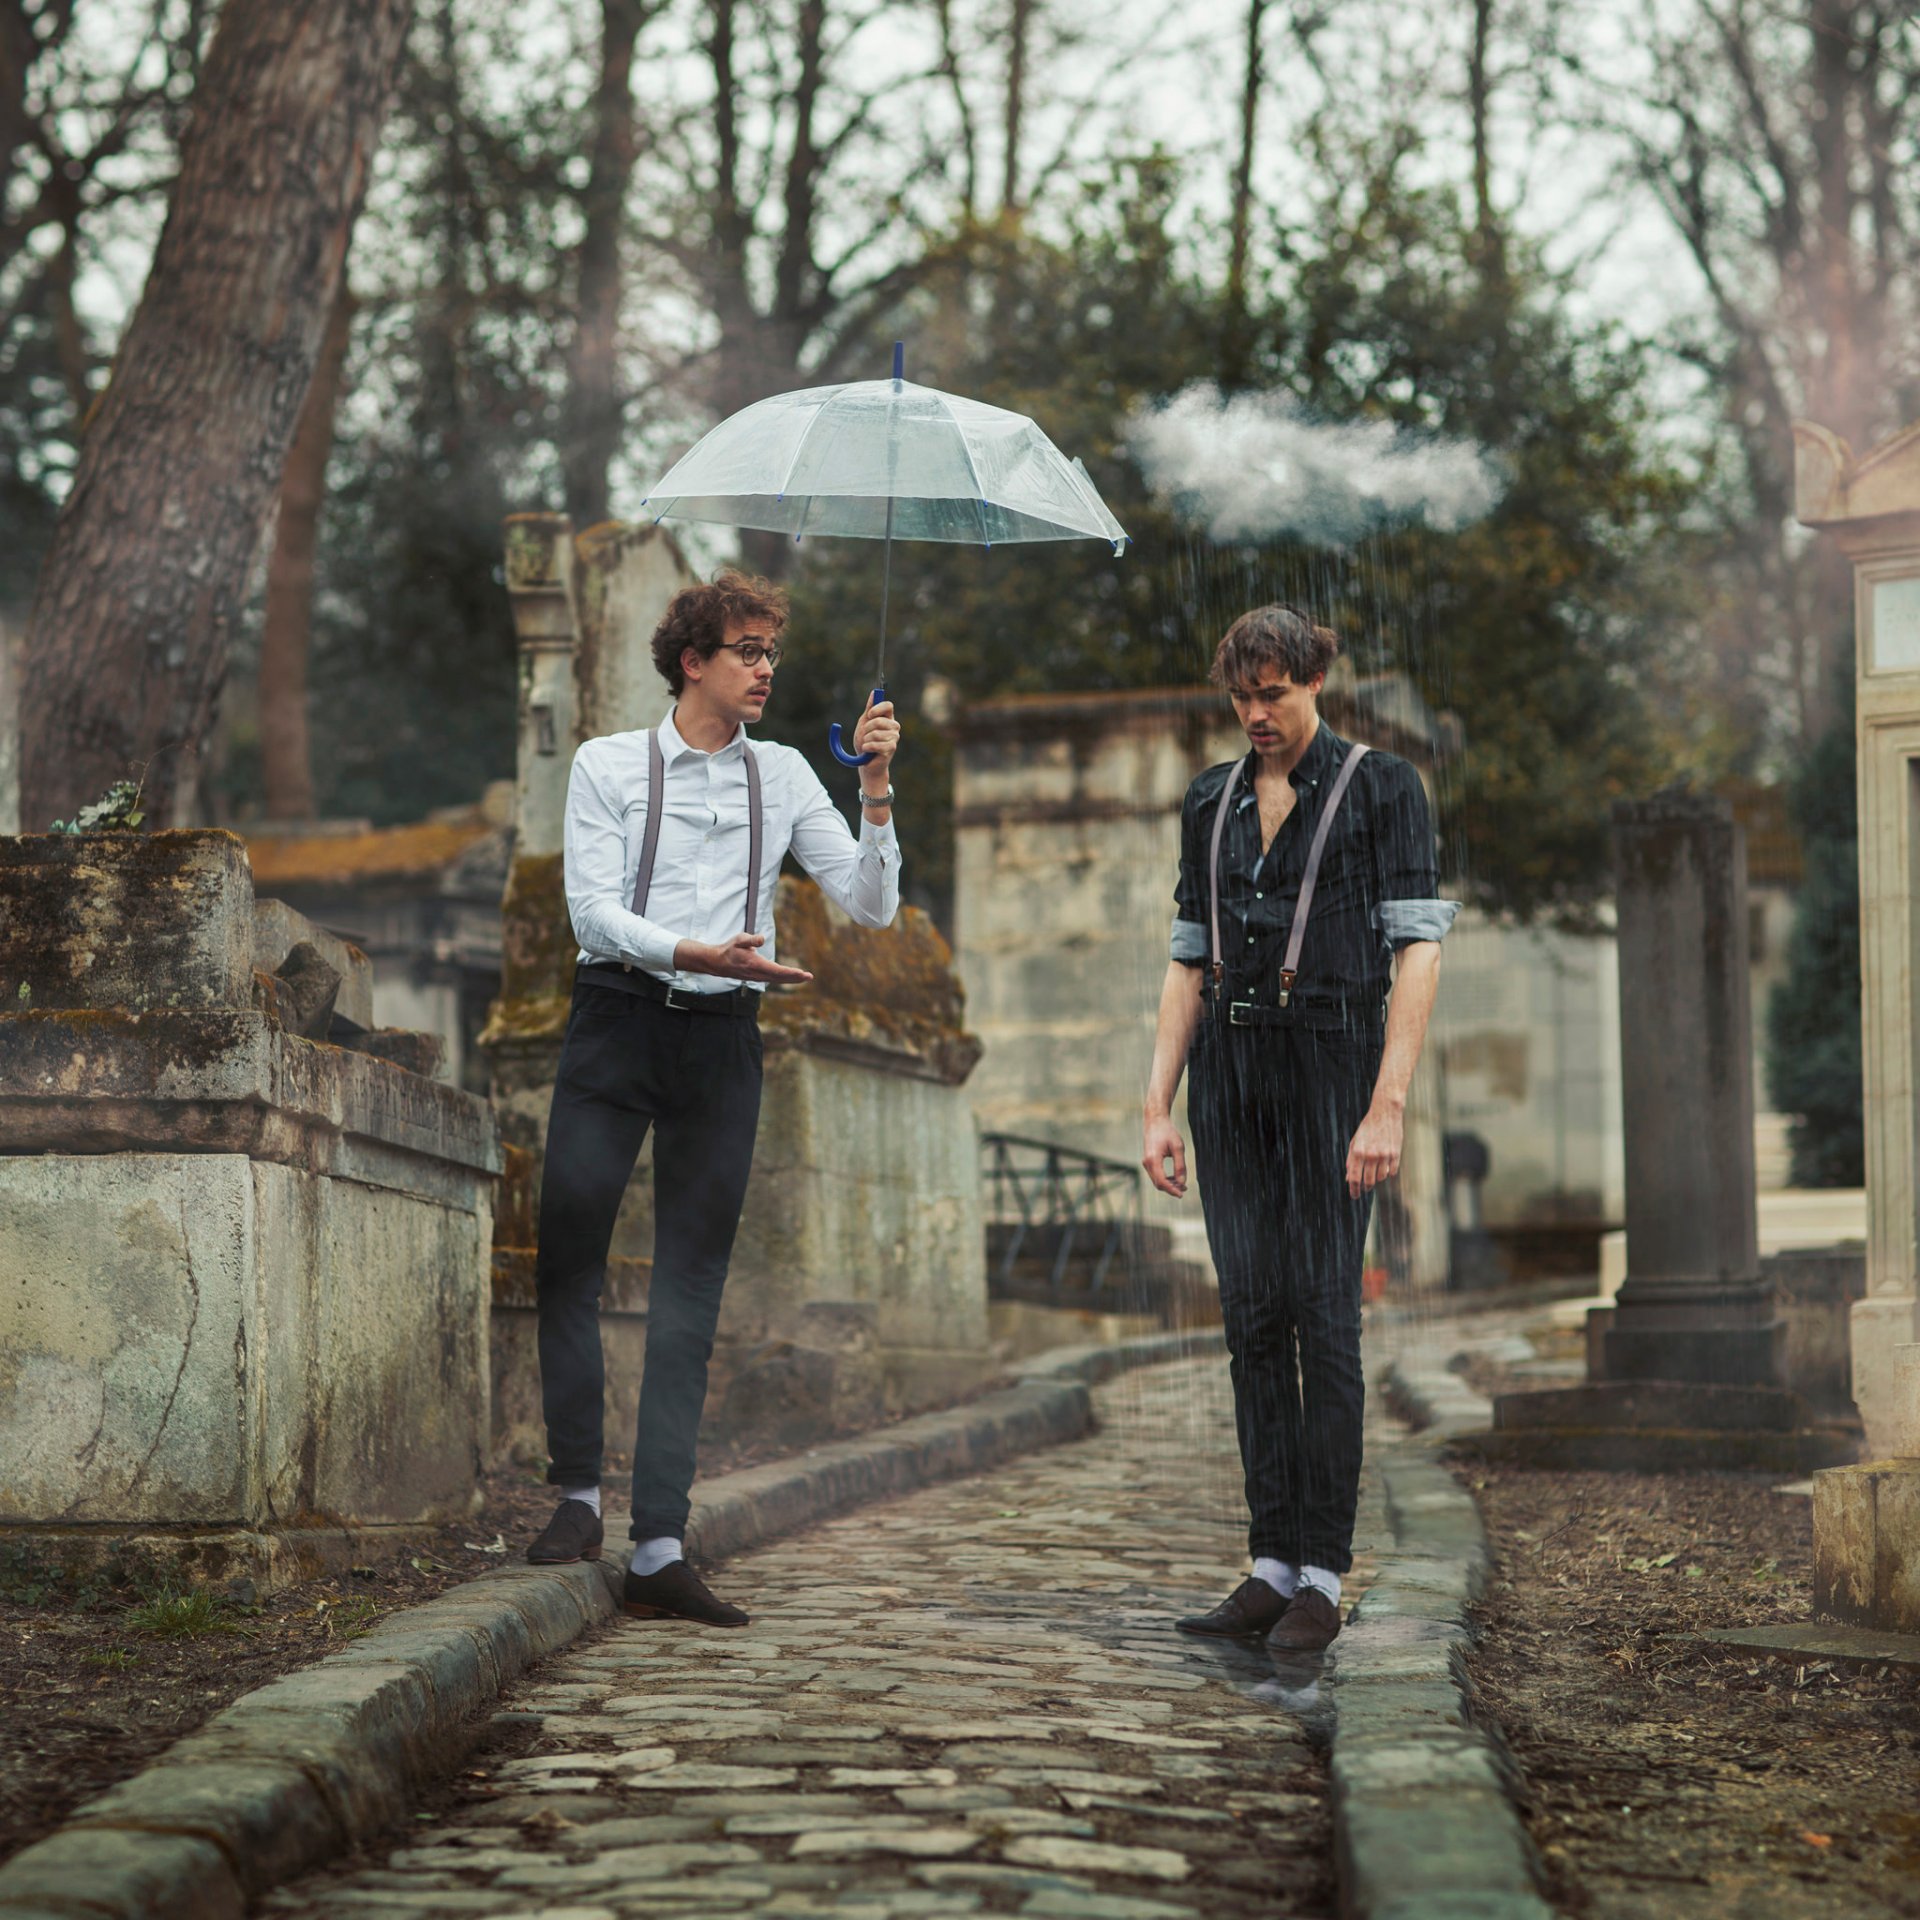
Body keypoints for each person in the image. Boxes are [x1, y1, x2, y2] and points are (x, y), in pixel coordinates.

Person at [526, 567, 900, 1627]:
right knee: (569, 1252)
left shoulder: (781, 777)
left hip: (722, 1043)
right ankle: (576, 1495)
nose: (766, 667)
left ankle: (657, 1543)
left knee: (692, 1285)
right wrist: (692, 950)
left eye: (771, 650)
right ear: (693, 661)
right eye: (747, 649)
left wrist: (874, 788)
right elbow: (591, 913)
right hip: (615, 1020)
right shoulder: (607, 764)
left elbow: (870, 906)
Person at [1141, 605, 1456, 1653]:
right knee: (1250, 1324)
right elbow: (1189, 958)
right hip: (1229, 1073)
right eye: (1241, 696)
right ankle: (1270, 1563)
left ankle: (1324, 1570)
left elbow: (1417, 953)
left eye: (1273, 692)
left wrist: (1387, 1103)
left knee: (1325, 1320)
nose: (1256, 714)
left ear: (1317, 679)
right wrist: (1157, 1105)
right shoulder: (1210, 799)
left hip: (1334, 1062)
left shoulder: (1383, 788)